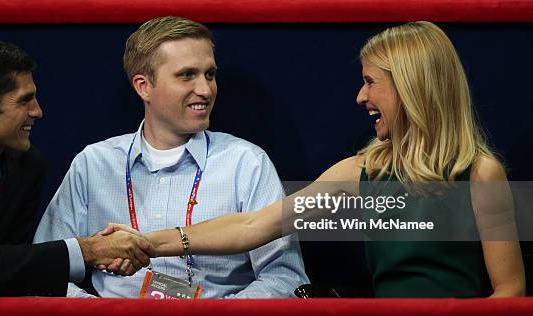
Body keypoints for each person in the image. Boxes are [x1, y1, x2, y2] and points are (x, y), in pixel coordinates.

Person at [123, 21, 525, 297]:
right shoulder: (361, 171)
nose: (360, 97)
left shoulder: (480, 173)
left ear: (412, 88)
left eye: (371, 82)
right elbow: (253, 225)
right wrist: (146, 244)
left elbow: (510, 291)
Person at [34, 16, 308, 298]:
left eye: (210, 74)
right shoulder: (94, 164)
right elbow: (44, 270)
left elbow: (285, 278)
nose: (205, 89)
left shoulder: (246, 162)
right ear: (143, 86)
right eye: (187, 75)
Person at [0, 38, 152, 296]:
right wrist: (88, 250)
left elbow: (10, 268)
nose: (37, 111)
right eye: (24, 100)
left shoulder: (27, 169)